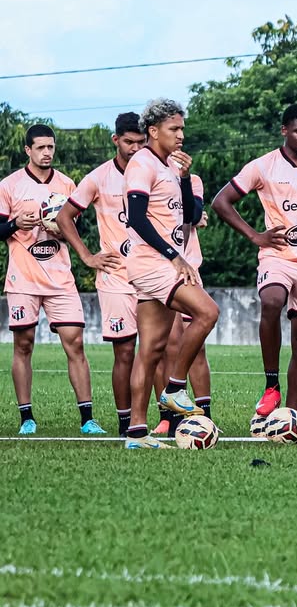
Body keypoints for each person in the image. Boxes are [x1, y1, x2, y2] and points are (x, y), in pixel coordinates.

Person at [212, 104, 297, 416]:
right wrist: (255, 236)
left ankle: (289, 415)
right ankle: (271, 385)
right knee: (272, 301)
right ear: (284, 131)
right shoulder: (264, 166)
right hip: (277, 256)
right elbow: (221, 201)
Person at [122, 99, 220, 449]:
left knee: (150, 348)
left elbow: (189, 216)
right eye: (173, 129)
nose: (181, 135)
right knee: (208, 312)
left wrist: (181, 179)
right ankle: (176, 388)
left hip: (161, 262)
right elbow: (136, 218)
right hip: (153, 263)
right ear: (153, 131)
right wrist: (174, 256)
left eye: (182, 128)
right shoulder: (141, 163)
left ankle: (136, 433)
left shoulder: (169, 167)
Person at [0, 124, 104, 435]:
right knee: (24, 345)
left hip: (60, 278)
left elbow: (77, 227)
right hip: (23, 279)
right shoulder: (9, 185)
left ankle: (87, 419)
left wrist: (61, 227)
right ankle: (26, 418)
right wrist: (16, 222)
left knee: (75, 344)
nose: (47, 153)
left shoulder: (67, 184)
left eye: (51, 147)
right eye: (41, 148)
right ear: (27, 150)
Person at [56, 112, 146, 436]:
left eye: (141, 142)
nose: (135, 148)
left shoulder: (154, 173)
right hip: (116, 278)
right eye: (129, 141)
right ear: (116, 140)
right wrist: (87, 256)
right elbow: (66, 217)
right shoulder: (98, 177)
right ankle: (126, 425)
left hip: (152, 275)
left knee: (159, 350)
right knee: (125, 351)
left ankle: (162, 419)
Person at [153, 172, 212, 435]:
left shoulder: (192, 180)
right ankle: (168, 417)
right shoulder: (145, 177)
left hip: (189, 270)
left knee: (197, 347)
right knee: (165, 346)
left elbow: (194, 212)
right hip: (155, 269)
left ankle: (204, 416)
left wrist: (185, 181)